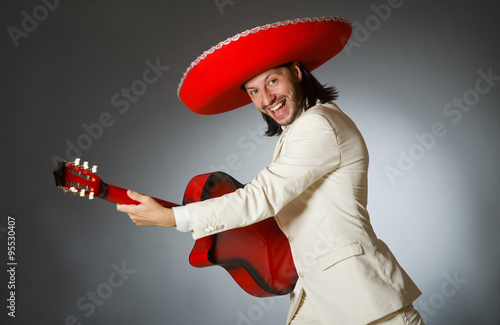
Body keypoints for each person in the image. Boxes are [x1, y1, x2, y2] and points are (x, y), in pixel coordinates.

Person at [116, 17, 424, 324]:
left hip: (364, 300)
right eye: (253, 92)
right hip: (316, 294)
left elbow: (262, 196)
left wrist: (173, 218)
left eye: (272, 81)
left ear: (297, 72)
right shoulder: (296, 132)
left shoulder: (319, 125)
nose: (266, 100)